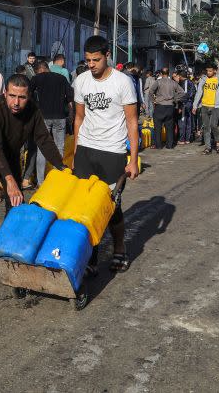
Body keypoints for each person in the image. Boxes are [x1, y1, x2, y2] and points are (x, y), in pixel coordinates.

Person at [0, 74, 65, 278]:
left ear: (29, 96)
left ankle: (8, 247)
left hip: (11, 154)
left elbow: (43, 139)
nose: (16, 102)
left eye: (22, 97)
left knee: (16, 204)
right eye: (12, 96)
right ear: (4, 93)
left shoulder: (33, 111)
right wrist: (9, 180)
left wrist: (61, 166)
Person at [72, 36, 139, 273]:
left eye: (96, 60)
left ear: (107, 55)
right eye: (88, 60)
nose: (91, 65)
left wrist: (133, 159)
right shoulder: (80, 80)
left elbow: (132, 121)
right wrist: (75, 151)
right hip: (86, 150)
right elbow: (79, 118)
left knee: (111, 207)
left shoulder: (123, 82)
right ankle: (90, 254)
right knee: (83, 205)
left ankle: (119, 248)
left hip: (112, 151)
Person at [30, 60, 72, 184]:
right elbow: (70, 98)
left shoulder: (36, 78)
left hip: (43, 117)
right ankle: (56, 179)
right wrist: (70, 114)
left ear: (39, 70)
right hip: (60, 117)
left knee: (42, 147)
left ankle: (40, 181)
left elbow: (28, 95)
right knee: (59, 147)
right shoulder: (61, 78)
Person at [192, 65, 219, 154]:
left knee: (213, 125)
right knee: (206, 127)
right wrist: (195, 105)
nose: (208, 73)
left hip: (216, 106)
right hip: (204, 105)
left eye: (210, 71)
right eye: (207, 71)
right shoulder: (203, 79)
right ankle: (208, 147)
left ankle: (218, 143)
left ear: (215, 71)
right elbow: (199, 92)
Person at [147, 67, 183, 149]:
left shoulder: (158, 82)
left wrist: (153, 101)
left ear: (161, 74)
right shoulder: (173, 83)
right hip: (170, 106)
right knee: (170, 127)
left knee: (158, 127)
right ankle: (169, 145)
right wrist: (175, 100)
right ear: (169, 73)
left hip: (160, 106)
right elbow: (182, 92)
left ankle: (158, 145)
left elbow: (150, 92)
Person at [177, 71, 196, 144]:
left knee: (183, 121)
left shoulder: (185, 82)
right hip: (190, 103)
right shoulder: (191, 82)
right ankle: (188, 139)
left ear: (181, 76)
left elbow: (185, 94)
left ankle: (182, 139)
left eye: (179, 76)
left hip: (185, 104)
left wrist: (181, 104)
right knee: (189, 121)